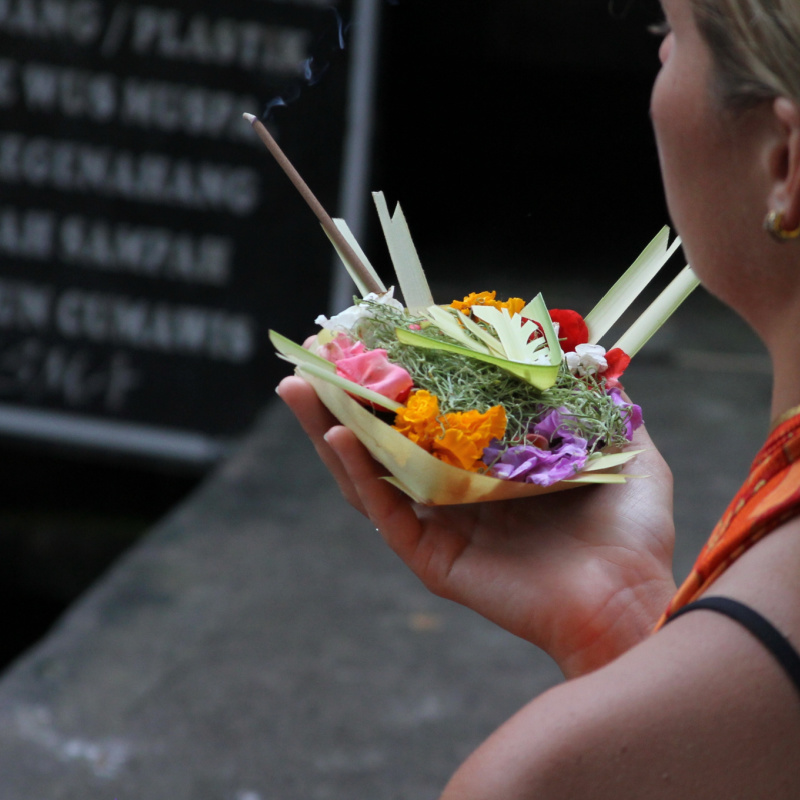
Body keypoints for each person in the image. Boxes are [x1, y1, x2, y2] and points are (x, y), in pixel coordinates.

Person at [278, 0, 800, 795]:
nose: (655, 66)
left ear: (786, 162)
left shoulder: (538, 778)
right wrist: (624, 625)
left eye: (671, 36)